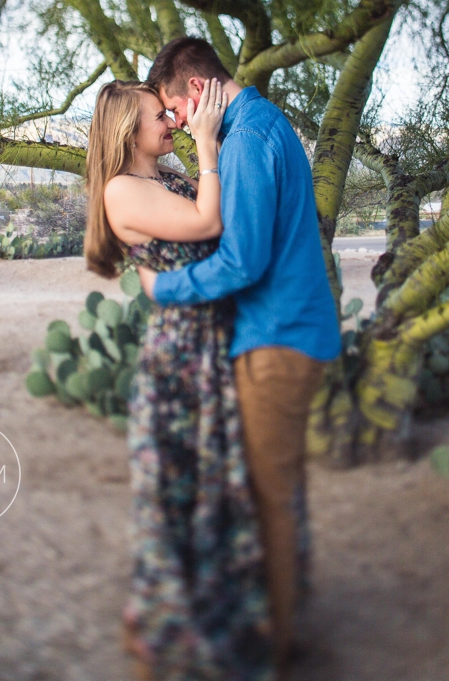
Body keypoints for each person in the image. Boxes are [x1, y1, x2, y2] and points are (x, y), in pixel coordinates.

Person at [138, 37, 342, 679]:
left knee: (267, 502)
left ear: (194, 93)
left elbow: (242, 261)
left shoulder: (249, 140)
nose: (170, 124)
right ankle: (282, 632)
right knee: (279, 494)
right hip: (288, 332)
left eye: (171, 111)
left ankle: (273, 653)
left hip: (277, 340)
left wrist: (163, 288)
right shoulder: (262, 122)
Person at [84, 78, 276, 680]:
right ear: (125, 131)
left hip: (206, 345)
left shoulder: (159, 178)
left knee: (210, 483)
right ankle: (172, 631)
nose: (168, 121)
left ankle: (218, 614)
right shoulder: (123, 189)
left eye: (168, 114)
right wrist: (208, 143)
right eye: (156, 117)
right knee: (178, 490)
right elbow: (208, 221)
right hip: (180, 359)